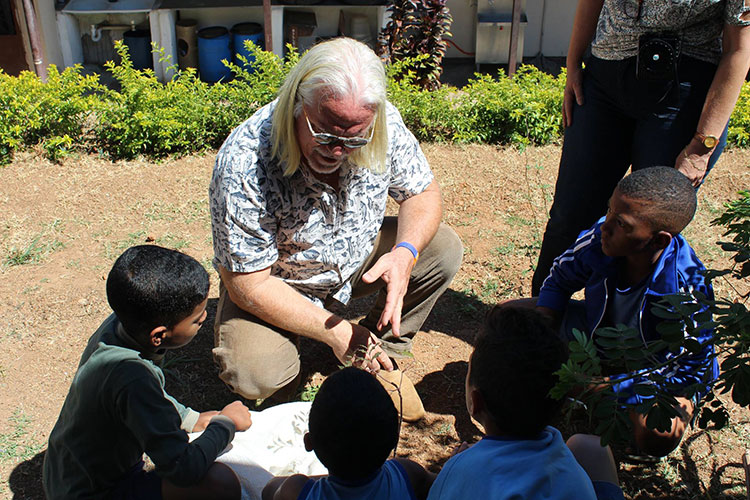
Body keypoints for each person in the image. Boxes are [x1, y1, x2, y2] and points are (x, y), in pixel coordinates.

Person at [209, 37, 463, 421]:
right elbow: (250, 284)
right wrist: (336, 333)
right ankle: (301, 339)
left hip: (353, 262)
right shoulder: (245, 161)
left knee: (441, 249)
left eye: (354, 138)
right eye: (326, 134)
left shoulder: (382, 122)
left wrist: (404, 254)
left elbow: (422, 193)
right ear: (298, 103)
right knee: (256, 374)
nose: (338, 150)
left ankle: (385, 353)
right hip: (281, 282)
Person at [531, 0, 750, 295]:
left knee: (639, 232)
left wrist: (702, 145)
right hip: (604, 82)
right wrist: (572, 64)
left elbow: (739, 49)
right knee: (569, 215)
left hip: (683, 92)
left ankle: (623, 333)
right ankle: (536, 325)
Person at [43, 245, 253, 500]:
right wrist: (225, 424)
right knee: (219, 484)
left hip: (67, 475)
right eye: (197, 319)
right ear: (159, 336)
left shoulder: (117, 328)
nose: (204, 319)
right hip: (95, 492)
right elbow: (182, 469)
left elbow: (146, 398)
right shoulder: (132, 377)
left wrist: (188, 418)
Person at [536, 167, 717, 457]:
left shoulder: (685, 290)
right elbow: (558, 281)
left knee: (658, 432)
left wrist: (606, 386)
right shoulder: (601, 238)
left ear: (660, 240)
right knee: (510, 316)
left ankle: (658, 404)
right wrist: (540, 330)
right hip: (603, 339)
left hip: (658, 367)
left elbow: (691, 367)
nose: (605, 225)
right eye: (609, 210)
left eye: (622, 223)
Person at [427, 306, 619, 500]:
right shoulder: (569, 466)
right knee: (590, 447)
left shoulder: (462, 470)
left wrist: (453, 471)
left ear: (476, 401)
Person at [261, 366, 435, 500]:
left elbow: (268, 490)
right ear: (394, 439)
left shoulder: (297, 490)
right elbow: (441, 483)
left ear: (309, 442)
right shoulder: (406, 474)